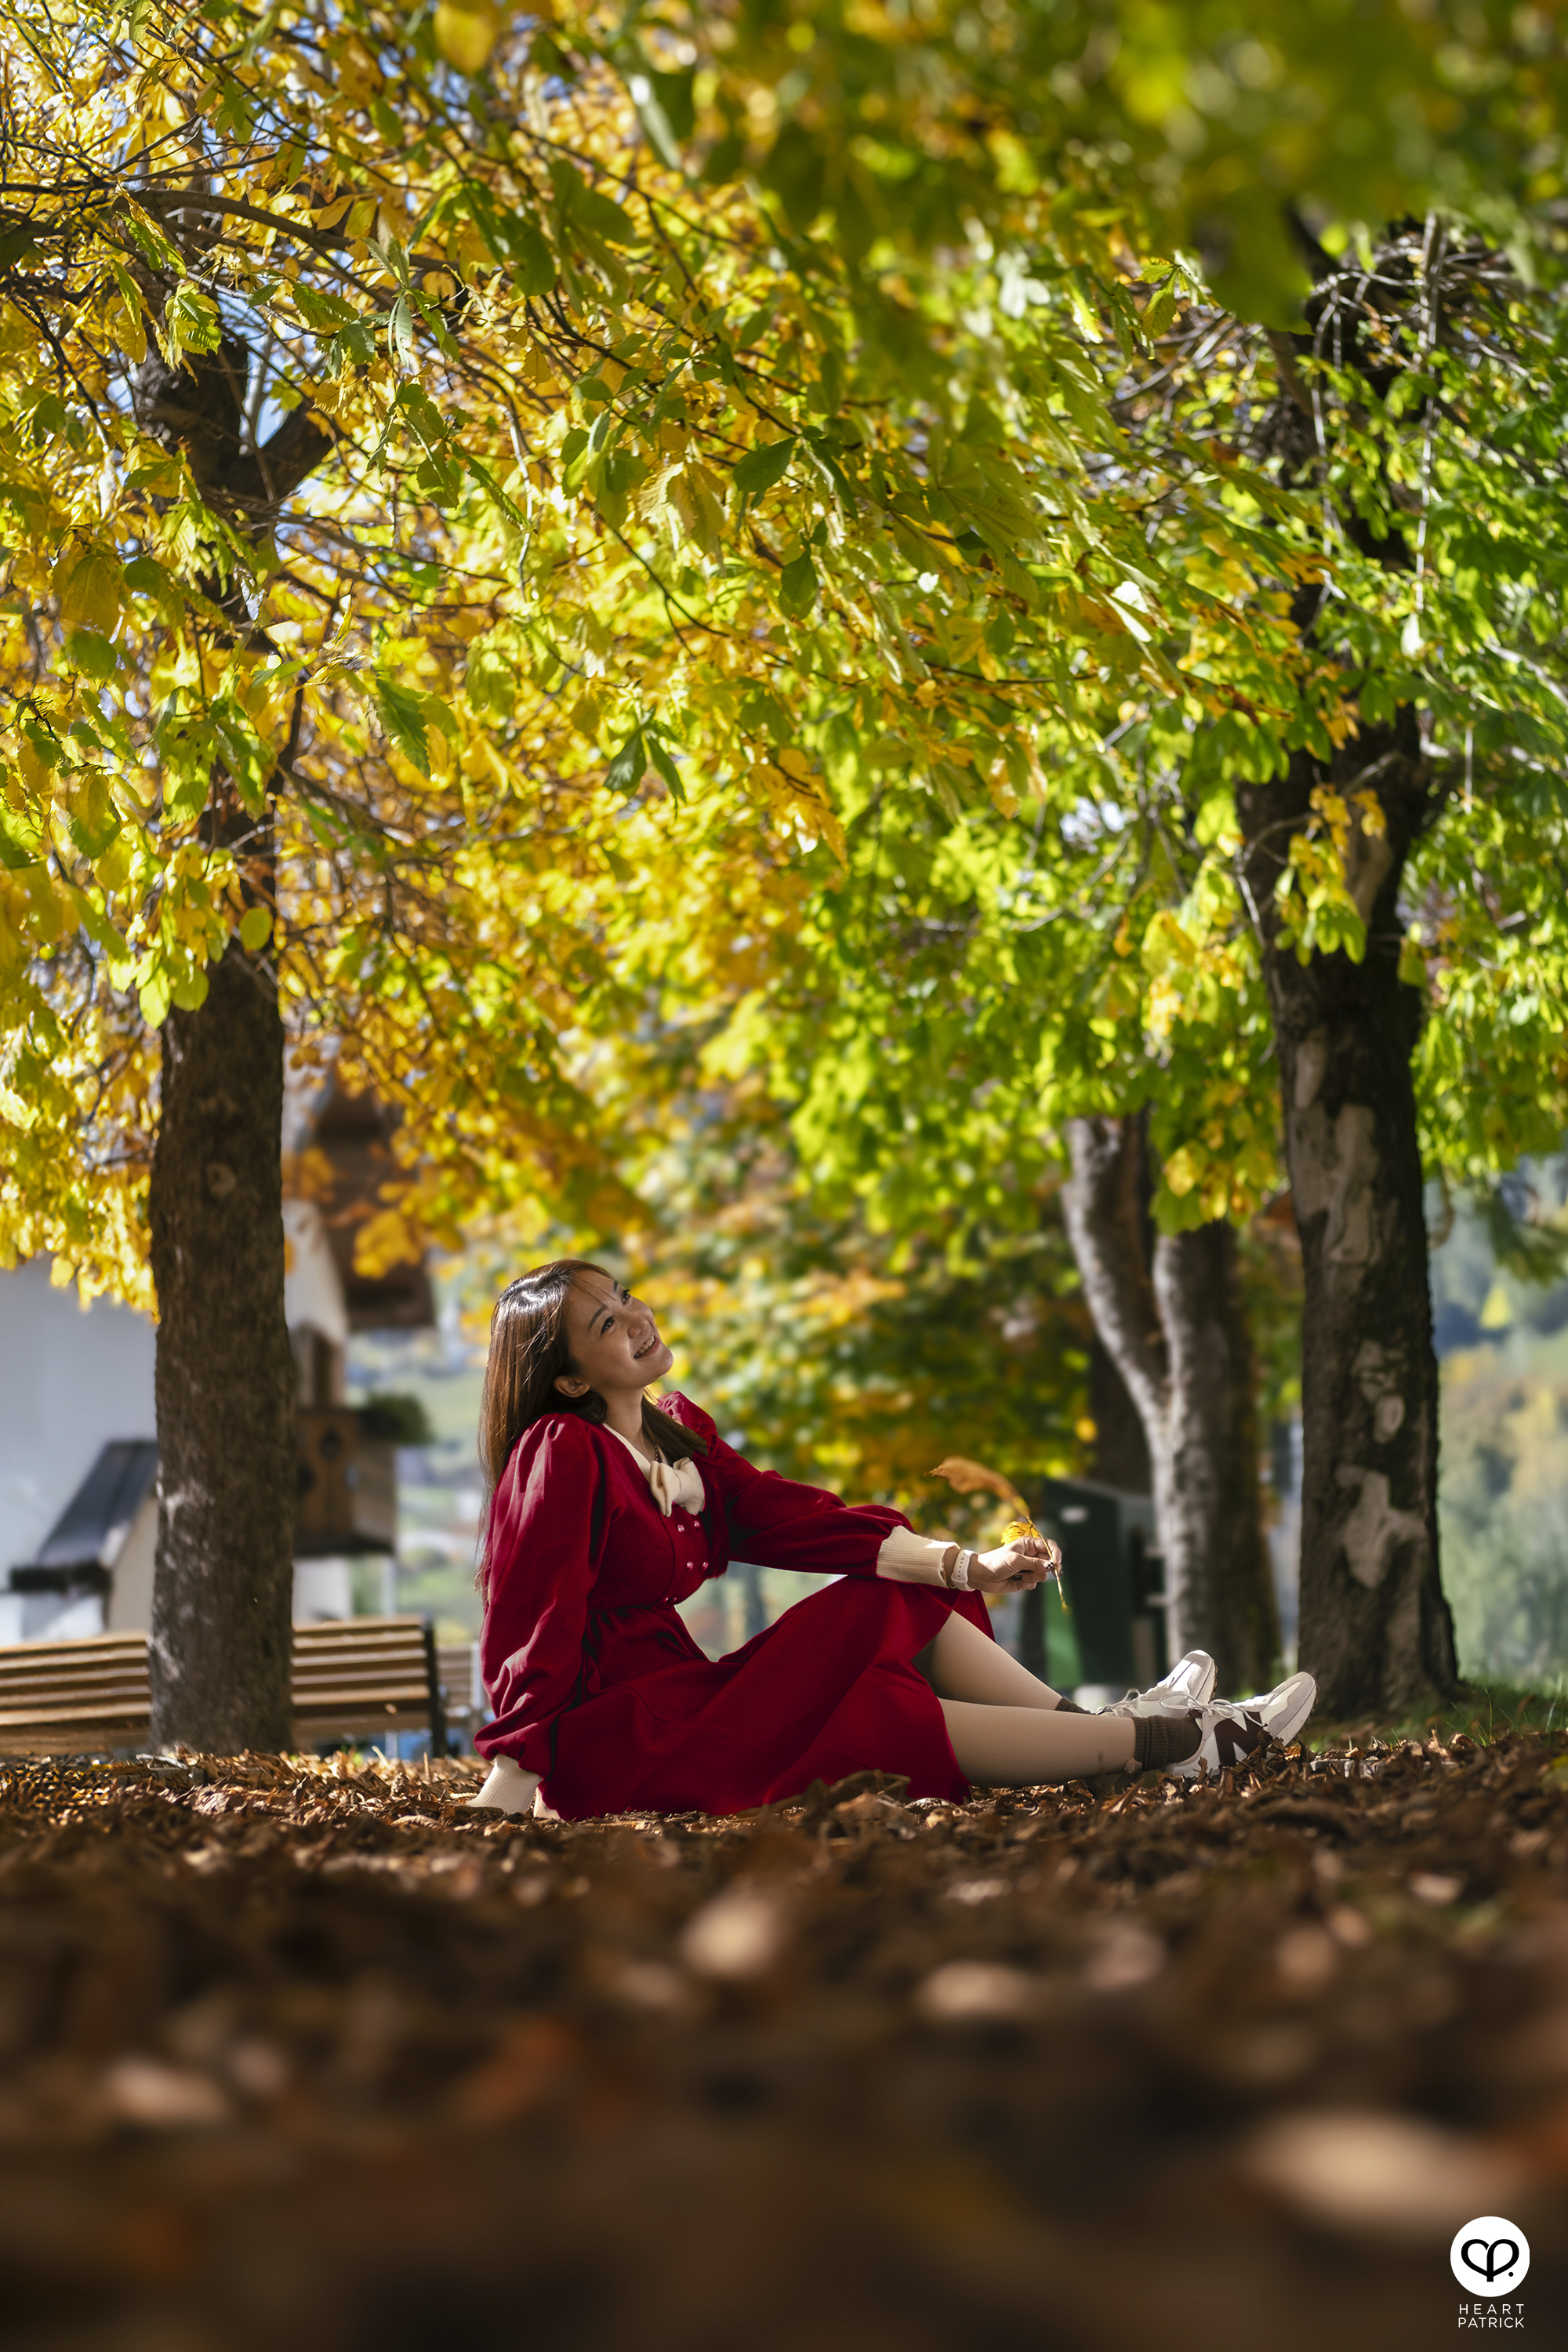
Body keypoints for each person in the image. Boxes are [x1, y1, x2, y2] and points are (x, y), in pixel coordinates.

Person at [466, 1261, 1316, 1819]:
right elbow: (529, 1617)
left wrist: (967, 1567)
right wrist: (513, 1776)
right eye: (605, 1323)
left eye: (622, 1295)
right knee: (876, 1713)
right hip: (617, 1740)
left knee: (900, 1592)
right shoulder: (561, 1450)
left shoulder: (674, 1433)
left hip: (682, 1696)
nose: (635, 1316)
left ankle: (1135, 1732)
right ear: (570, 1377)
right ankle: (1172, 1741)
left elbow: (790, 1516)